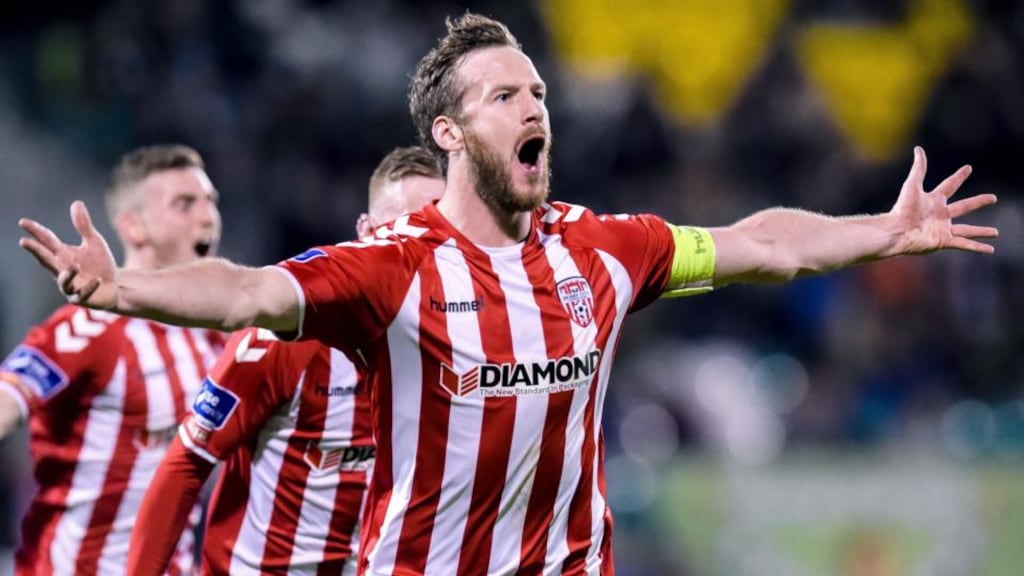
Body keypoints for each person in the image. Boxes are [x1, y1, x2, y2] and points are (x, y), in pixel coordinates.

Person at [18, 13, 998, 575]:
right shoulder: (393, 268)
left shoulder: (605, 248)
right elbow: (242, 293)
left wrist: (880, 232)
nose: (534, 106)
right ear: (449, 135)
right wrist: (126, 288)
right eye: (503, 96)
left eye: (537, 92)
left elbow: (761, 244)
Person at [126, 146, 445, 575]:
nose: (416, 255)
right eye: (400, 236)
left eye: (433, 238)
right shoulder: (285, 339)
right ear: (366, 234)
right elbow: (187, 462)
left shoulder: (459, 348)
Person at [2, 144, 224, 575]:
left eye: (210, 201)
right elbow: (6, 403)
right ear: (133, 227)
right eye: (185, 204)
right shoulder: (87, 331)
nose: (207, 217)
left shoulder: (217, 341)